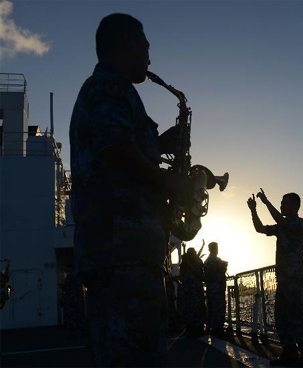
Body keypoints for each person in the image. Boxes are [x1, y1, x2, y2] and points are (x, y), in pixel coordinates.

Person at [69, 13, 191, 366]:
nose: (150, 57)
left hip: (120, 252)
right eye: (146, 46)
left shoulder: (110, 90)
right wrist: (172, 183)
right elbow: (116, 150)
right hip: (123, 251)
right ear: (127, 42)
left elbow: (123, 144)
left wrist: (162, 141)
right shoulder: (111, 86)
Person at [247, 189, 303, 367]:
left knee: (297, 315)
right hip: (283, 279)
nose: (281, 205)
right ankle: (290, 352)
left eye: (285, 203)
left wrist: (265, 202)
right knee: (281, 317)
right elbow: (260, 228)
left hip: (294, 278)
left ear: (295, 205)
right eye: (281, 203)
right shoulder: (282, 226)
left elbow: (281, 221)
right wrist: (253, 210)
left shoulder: (299, 224)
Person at [178, 248, 207, 337]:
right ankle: (199, 328)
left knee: (188, 307)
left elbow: (181, 277)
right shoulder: (198, 261)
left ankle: (190, 327)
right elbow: (202, 275)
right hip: (196, 289)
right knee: (198, 307)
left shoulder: (184, 262)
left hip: (187, 289)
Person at [204, 242, 228, 336]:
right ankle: (218, 328)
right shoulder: (216, 260)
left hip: (211, 288)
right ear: (214, 249)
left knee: (211, 307)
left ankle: (211, 326)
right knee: (219, 307)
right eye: (216, 248)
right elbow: (218, 272)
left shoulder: (207, 260)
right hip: (217, 288)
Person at [62, 264, 86, 337]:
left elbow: (66, 286)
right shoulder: (77, 275)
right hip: (78, 298)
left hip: (72, 298)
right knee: (79, 314)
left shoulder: (70, 275)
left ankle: (73, 331)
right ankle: (81, 329)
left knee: (71, 315)